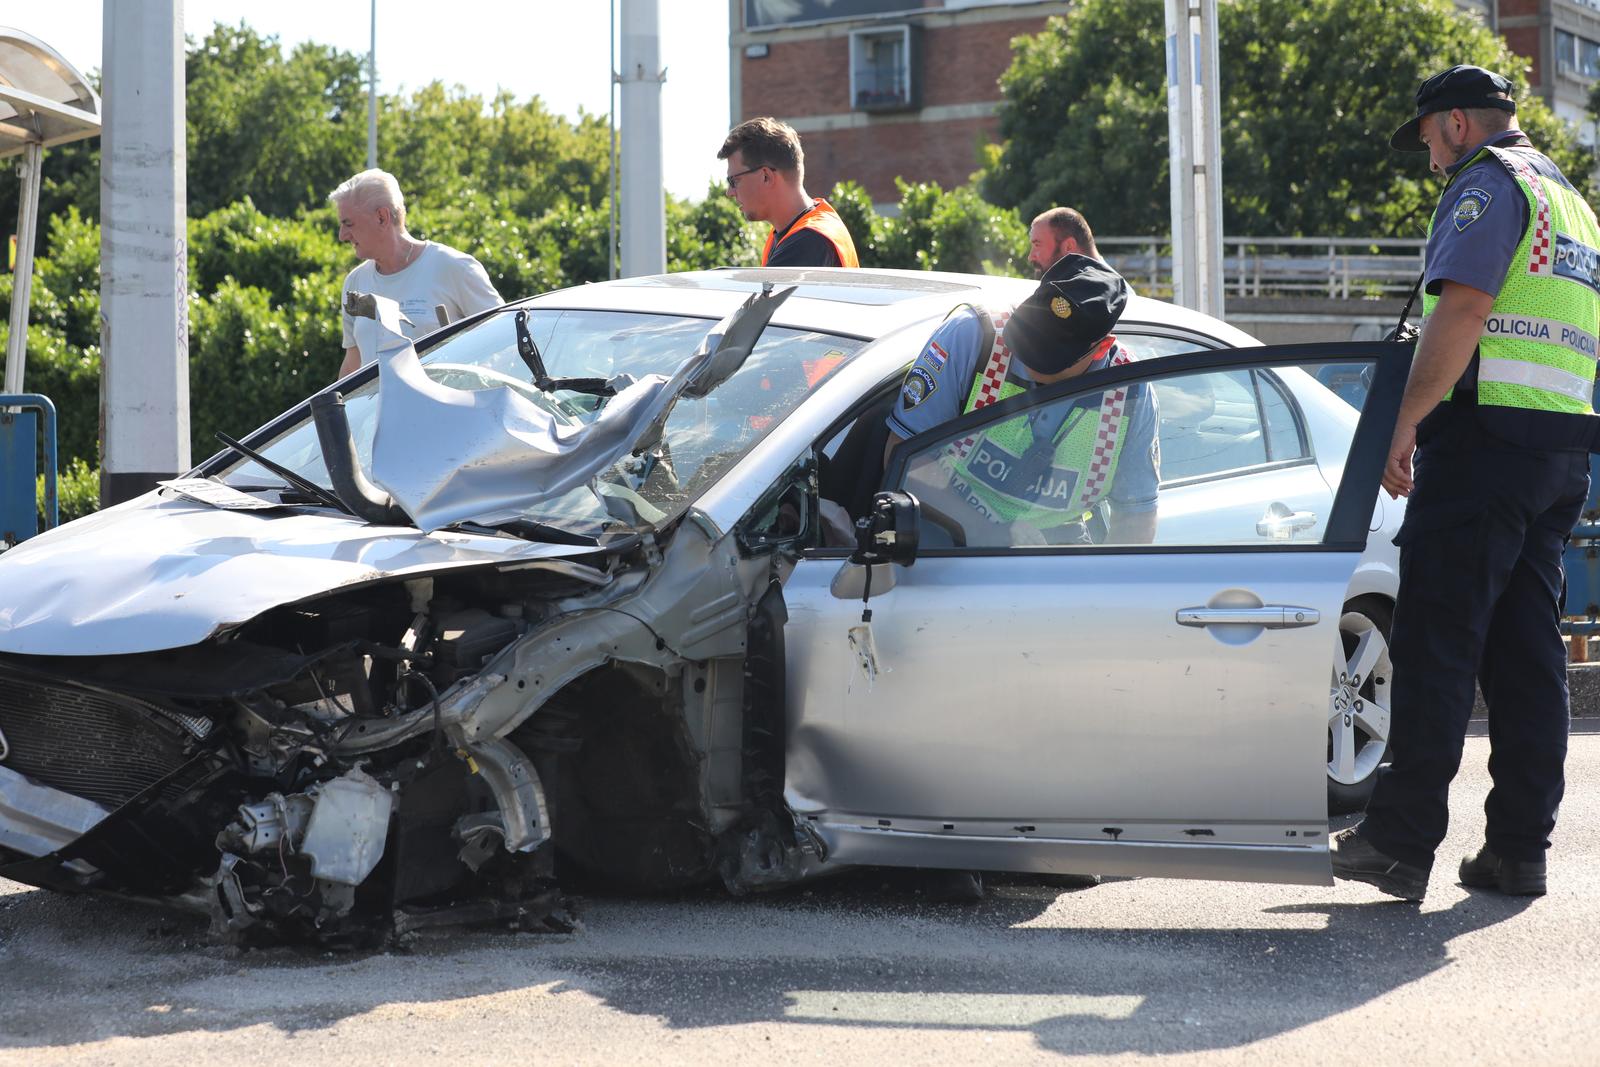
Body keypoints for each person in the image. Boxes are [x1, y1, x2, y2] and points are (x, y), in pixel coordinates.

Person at [1330, 65, 1600, 901]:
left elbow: (1465, 310)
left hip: (1483, 446)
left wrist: (1403, 420)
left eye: (1425, 137)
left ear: (1453, 123)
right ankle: (1519, 848)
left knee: (1438, 644)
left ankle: (1399, 840)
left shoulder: (1487, 185)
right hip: (1557, 451)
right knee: (1526, 656)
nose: (1427, 156)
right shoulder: (1572, 201)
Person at [883, 254, 1159, 545]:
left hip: (1057, 550)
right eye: (1028, 335)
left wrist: (1107, 588)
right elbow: (903, 456)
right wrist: (987, 532)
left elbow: (1135, 517)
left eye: (1052, 355)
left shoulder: (1129, 391)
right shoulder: (973, 337)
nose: (1031, 355)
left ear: (1101, 349)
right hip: (947, 530)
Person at [330, 169, 502, 378]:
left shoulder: (455, 267)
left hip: (447, 410)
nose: (342, 235)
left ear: (382, 217)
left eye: (348, 224)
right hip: (382, 412)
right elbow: (353, 365)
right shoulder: (355, 282)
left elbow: (504, 341)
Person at [718, 117, 860, 268]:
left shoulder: (808, 240)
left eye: (734, 181)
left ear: (766, 176)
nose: (729, 192)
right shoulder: (807, 228)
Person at [1028, 206, 1101, 276]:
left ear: (1069, 246)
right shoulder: (1106, 282)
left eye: (1037, 245)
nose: (1031, 257)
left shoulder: (1086, 287)